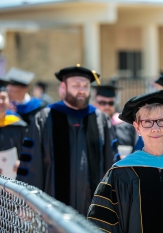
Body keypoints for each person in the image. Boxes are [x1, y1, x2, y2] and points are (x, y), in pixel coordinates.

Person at [88, 90, 163, 233]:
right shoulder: (119, 174)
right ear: (137, 128)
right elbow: (100, 226)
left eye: (162, 121)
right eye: (147, 122)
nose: (155, 128)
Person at [17, 65, 115, 215]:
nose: (81, 90)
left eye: (85, 85)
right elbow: (32, 165)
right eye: (76, 85)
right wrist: (28, 202)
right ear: (63, 87)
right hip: (52, 211)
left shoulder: (100, 120)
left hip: (94, 210)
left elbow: (111, 164)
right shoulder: (45, 118)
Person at [92, 84, 139, 160]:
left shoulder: (127, 125)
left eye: (111, 103)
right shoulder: (89, 125)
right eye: (102, 103)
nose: (107, 107)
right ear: (94, 103)